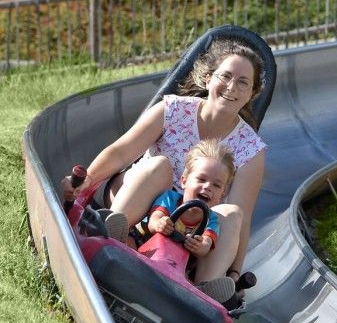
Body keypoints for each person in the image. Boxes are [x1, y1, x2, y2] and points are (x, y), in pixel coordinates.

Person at [62, 37, 267, 295]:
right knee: (161, 165)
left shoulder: (251, 148)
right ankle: (110, 233)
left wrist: (235, 273)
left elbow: (240, 217)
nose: (231, 87)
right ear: (208, 79)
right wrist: (84, 184)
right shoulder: (173, 110)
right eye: (225, 76)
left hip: (192, 228)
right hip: (142, 200)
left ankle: (205, 288)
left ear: (251, 93)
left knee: (232, 211)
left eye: (242, 82)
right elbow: (121, 152)